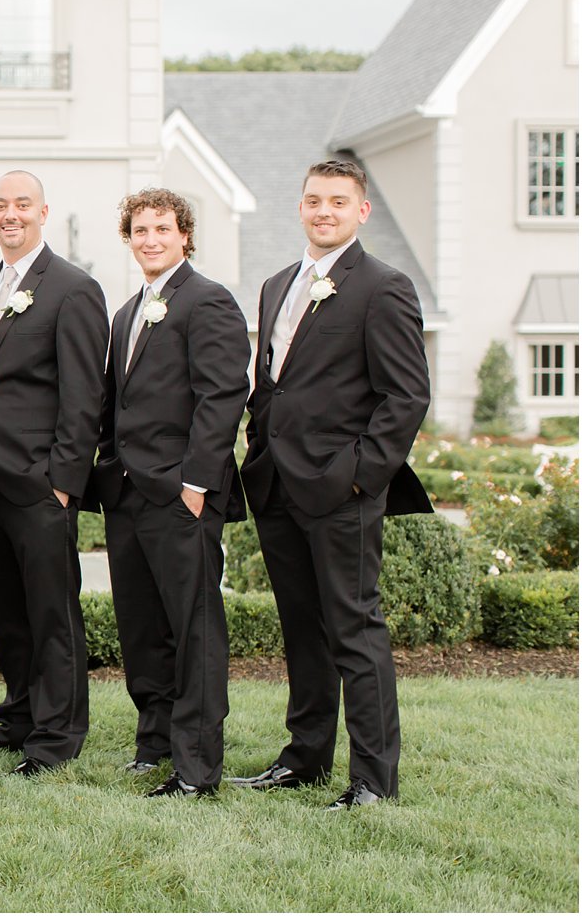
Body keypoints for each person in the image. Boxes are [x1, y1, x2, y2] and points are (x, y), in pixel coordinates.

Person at [233, 159, 432, 810]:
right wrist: (258, 446)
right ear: (300, 208)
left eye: (338, 202)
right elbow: (272, 381)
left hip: (340, 490)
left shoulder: (384, 286)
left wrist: (358, 478)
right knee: (302, 630)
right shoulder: (276, 285)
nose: (324, 211)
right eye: (314, 200)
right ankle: (306, 760)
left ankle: (373, 778)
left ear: (361, 211)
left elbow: (405, 397)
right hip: (278, 486)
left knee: (355, 629)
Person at [84, 189, 250, 798]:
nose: (150, 239)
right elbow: (114, 401)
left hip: (182, 495)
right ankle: (153, 741)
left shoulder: (208, 301)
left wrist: (196, 482)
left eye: (161, 228)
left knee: (194, 631)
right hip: (128, 495)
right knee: (142, 626)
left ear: (185, 234)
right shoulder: (129, 310)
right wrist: (106, 465)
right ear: (127, 239)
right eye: (139, 230)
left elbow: (223, 395)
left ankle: (196, 767)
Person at [0, 170, 108, 776]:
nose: (9, 215)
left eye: (22, 205)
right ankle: (20, 712)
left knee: (51, 612)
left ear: (44, 212)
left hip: (42, 480)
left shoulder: (73, 288)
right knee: (7, 611)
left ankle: (57, 733)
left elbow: (84, 394)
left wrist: (64, 480)